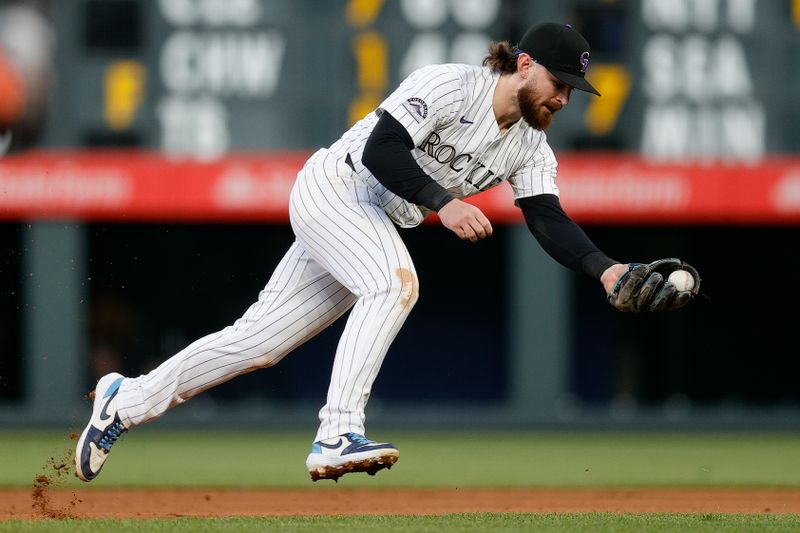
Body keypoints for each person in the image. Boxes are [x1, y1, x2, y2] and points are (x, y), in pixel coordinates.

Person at [75, 23, 699, 483]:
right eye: (560, 83)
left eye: (573, 90)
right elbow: (382, 150)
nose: (564, 98)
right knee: (395, 283)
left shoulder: (531, 147)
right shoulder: (451, 86)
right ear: (524, 63)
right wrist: (443, 203)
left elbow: (547, 217)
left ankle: (123, 402)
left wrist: (606, 269)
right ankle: (336, 431)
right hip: (336, 186)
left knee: (258, 342)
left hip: (372, 217)